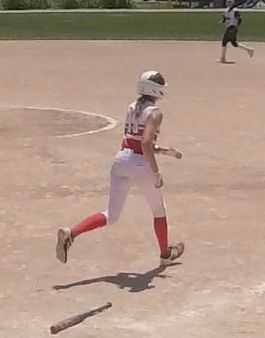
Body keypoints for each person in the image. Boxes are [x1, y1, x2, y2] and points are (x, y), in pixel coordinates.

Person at [56, 71, 185, 266]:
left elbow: (134, 141)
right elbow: (145, 143)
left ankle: (71, 233)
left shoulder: (132, 107)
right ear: (155, 89)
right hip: (141, 164)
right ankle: (165, 254)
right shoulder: (155, 113)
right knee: (159, 211)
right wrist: (155, 172)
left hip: (121, 161)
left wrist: (164, 150)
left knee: (111, 215)